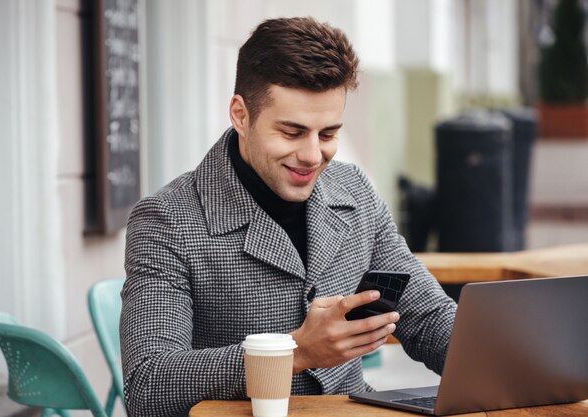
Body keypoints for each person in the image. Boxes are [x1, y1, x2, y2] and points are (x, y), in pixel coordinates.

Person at [120, 16, 457, 417]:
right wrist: (293, 352)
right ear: (241, 115)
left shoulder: (354, 191)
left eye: (328, 133)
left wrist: (511, 366)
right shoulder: (166, 220)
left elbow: (427, 314)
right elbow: (149, 382)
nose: (314, 155)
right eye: (292, 132)